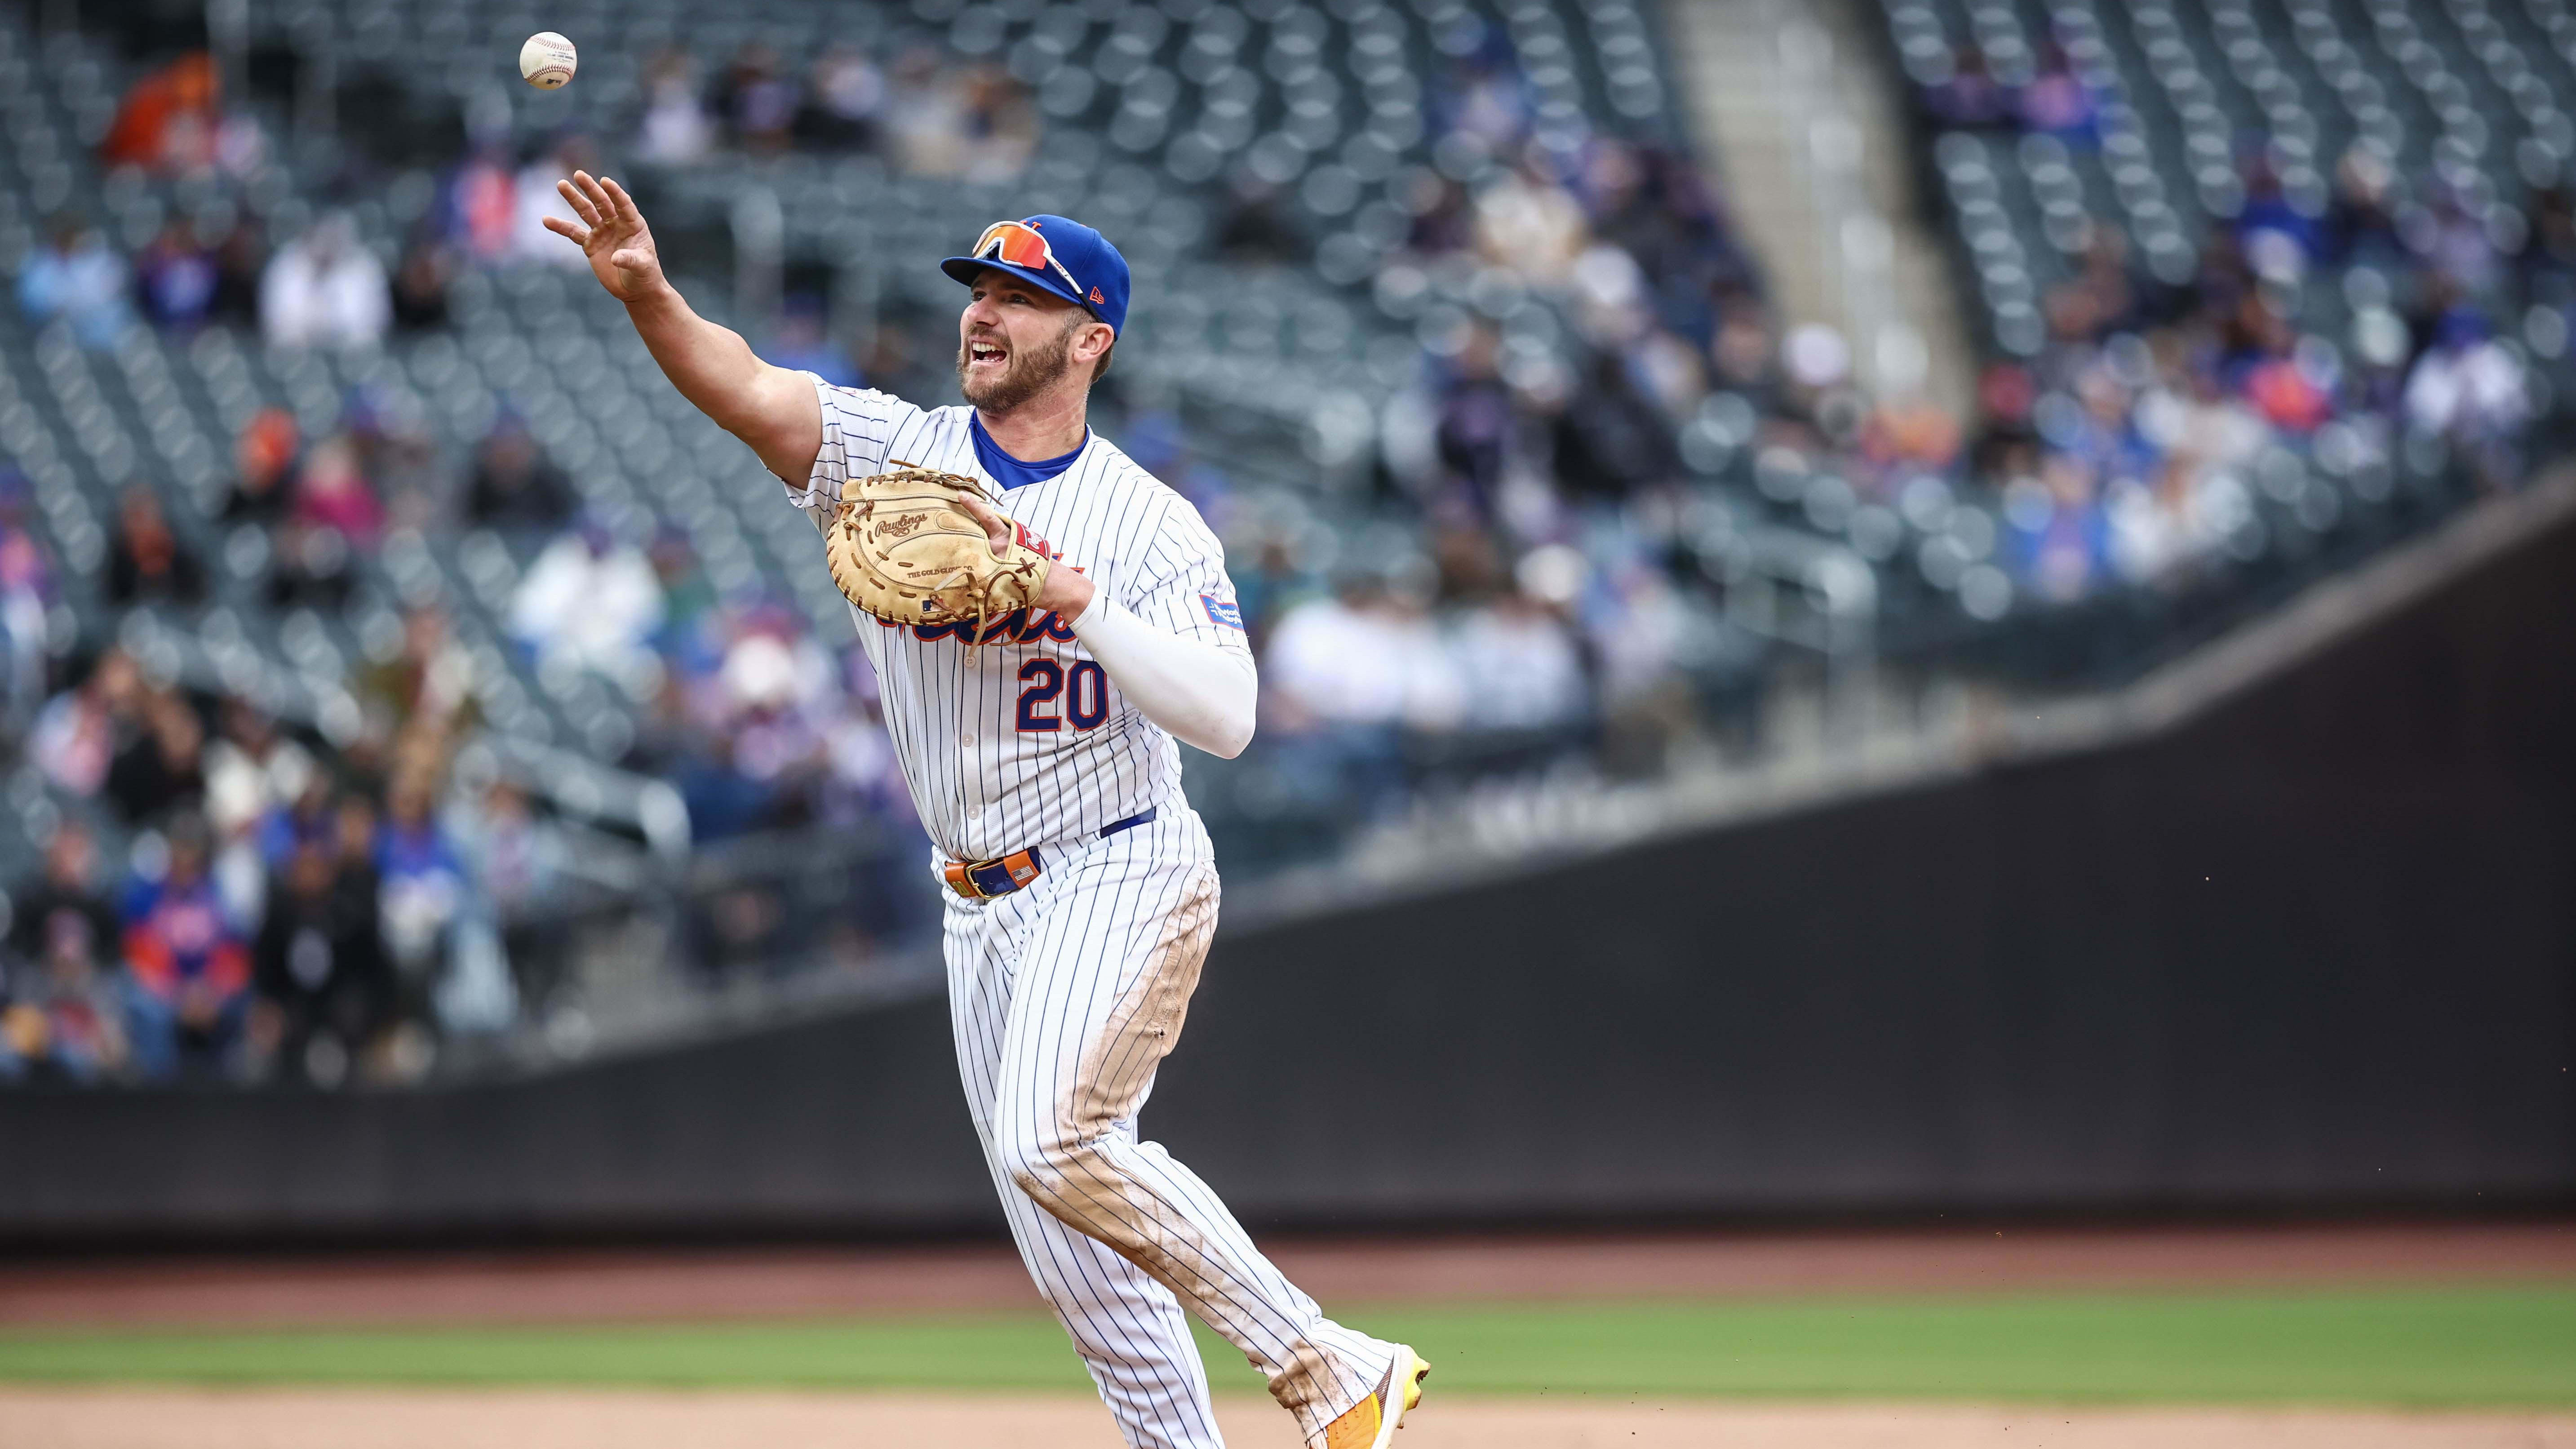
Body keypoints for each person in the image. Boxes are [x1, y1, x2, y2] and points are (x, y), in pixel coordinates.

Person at [547, 173, 1430, 1449]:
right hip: (976, 904)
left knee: (1050, 1139)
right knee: (1087, 1280)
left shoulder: (1147, 523)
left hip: (1118, 864)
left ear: (1092, 340)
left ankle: (1329, 1364)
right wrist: (651, 297)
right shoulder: (891, 452)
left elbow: (1230, 718)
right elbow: (745, 383)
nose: (987, 314)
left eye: (1023, 298)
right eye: (980, 291)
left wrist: (1076, 600)